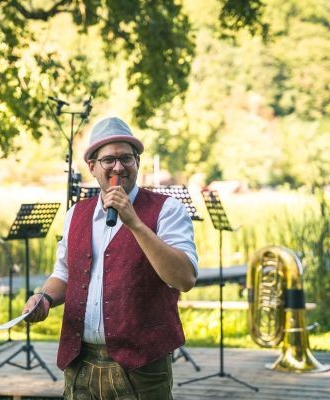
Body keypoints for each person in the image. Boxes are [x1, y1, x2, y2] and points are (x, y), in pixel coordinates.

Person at [22, 116, 198, 399]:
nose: (118, 167)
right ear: (92, 166)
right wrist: (43, 298)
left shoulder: (167, 209)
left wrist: (135, 223)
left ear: (137, 162)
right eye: (109, 160)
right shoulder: (76, 214)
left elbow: (184, 278)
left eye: (126, 158)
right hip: (80, 363)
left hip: (142, 367)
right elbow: (64, 274)